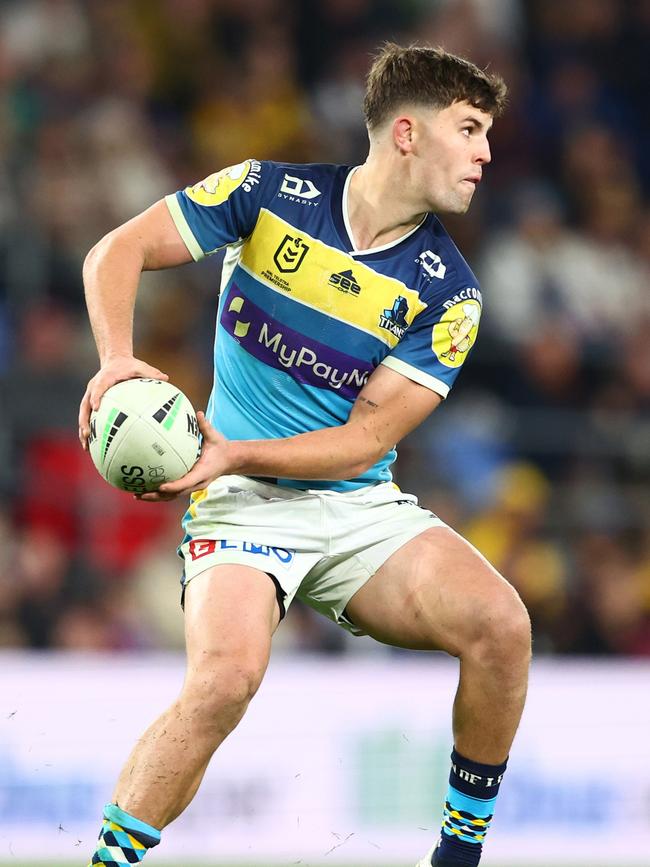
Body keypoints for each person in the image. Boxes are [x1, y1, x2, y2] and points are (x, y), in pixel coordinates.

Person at [78, 43, 529, 867]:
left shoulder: (448, 290)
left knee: (502, 625)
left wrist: (235, 451)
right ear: (406, 133)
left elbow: (365, 438)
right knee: (222, 681)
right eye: (468, 129)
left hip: (353, 503)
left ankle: (457, 858)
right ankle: (108, 861)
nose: (484, 153)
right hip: (243, 504)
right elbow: (116, 250)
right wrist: (115, 359)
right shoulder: (266, 194)